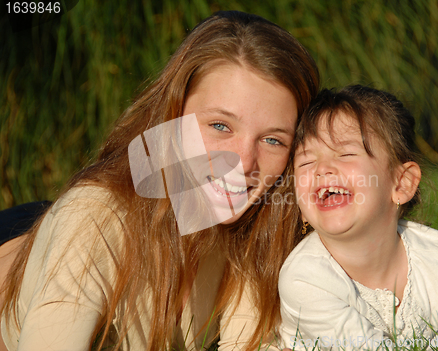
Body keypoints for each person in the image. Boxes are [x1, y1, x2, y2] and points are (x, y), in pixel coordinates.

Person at [0, 11, 319, 351]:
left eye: (273, 140)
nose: (242, 163)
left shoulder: (256, 229)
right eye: (220, 126)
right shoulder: (94, 219)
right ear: (173, 114)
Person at [279, 86, 438, 350]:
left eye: (346, 153)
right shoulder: (304, 279)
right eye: (306, 162)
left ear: (401, 184)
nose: (322, 169)